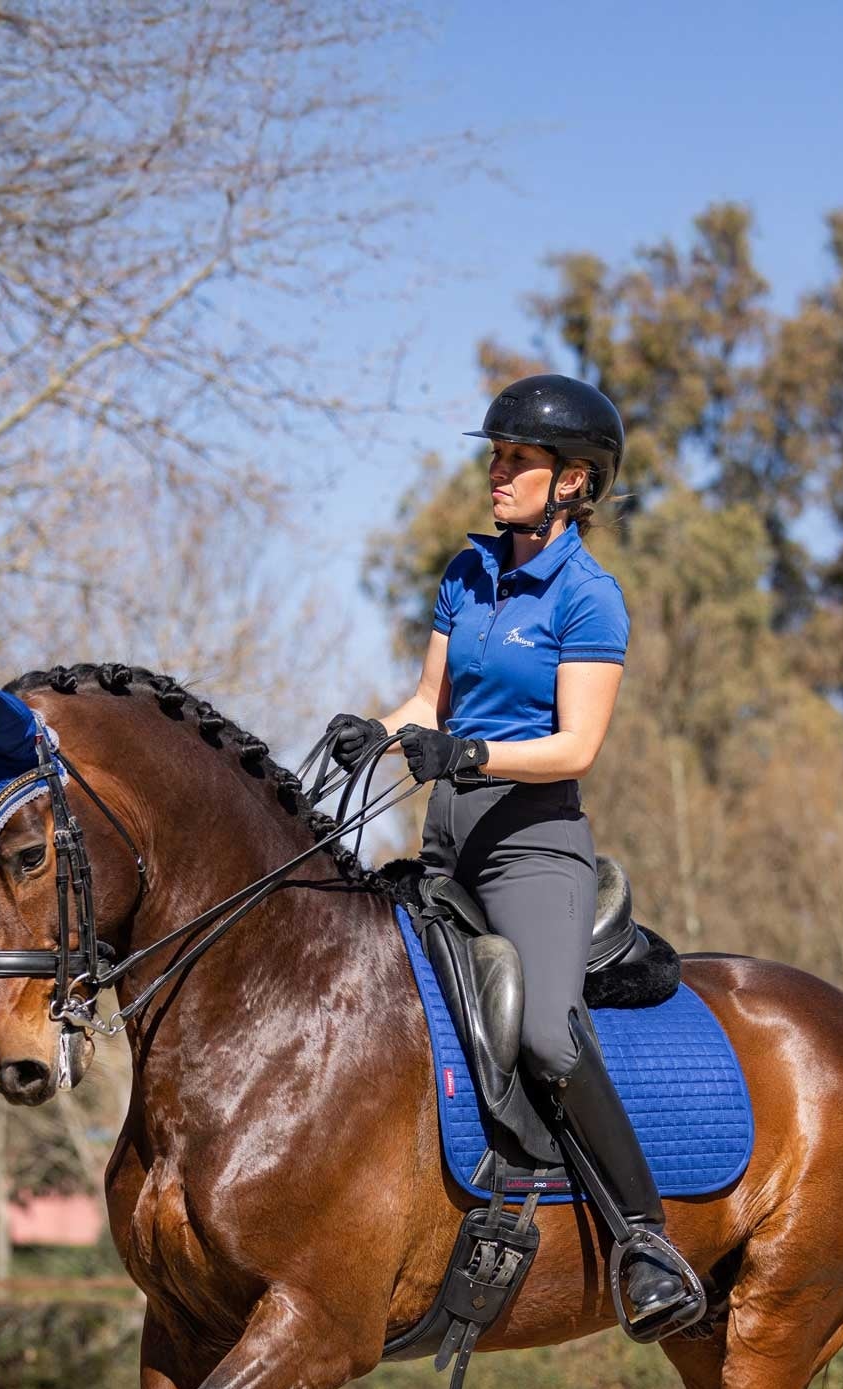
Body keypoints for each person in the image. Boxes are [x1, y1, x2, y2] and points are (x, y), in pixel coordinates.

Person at [323, 373, 696, 1334]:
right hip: (447, 831)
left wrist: (473, 753)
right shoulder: (467, 573)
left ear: (573, 482)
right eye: (494, 455)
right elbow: (428, 701)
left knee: (544, 1033)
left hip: (532, 844)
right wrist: (378, 730)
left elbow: (577, 745)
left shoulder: (589, 598)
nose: (497, 472)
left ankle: (645, 1241)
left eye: (516, 459)